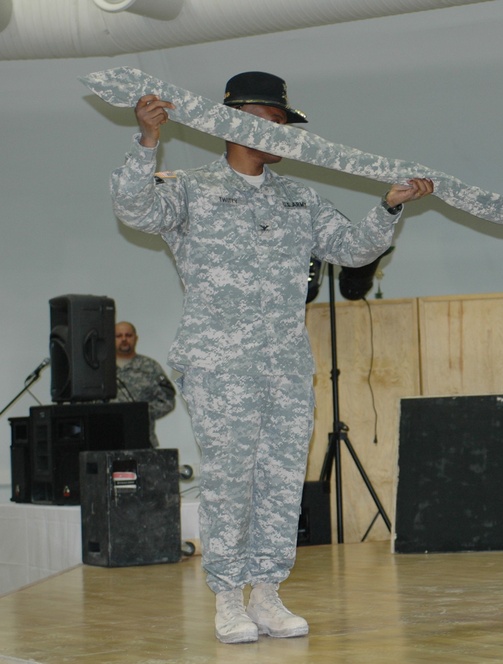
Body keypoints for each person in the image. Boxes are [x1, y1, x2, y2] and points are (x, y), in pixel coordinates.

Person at [109, 71, 433, 644]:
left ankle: (267, 593)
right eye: (265, 123)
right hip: (219, 362)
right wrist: (145, 141)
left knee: (281, 480)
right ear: (231, 125)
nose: (277, 134)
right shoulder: (189, 189)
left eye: (283, 125)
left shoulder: (298, 198)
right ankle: (228, 598)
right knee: (231, 479)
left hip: (285, 363)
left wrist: (389, 206)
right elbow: (134, 209)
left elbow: (350, 249)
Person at [112, 321, 176, 448]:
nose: (124, 339)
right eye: (118, 336)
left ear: (136, 338)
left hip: (143, 439)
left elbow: (168, 401)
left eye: (128, 335)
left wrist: (142, 412)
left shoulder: (150, 367)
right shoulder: (100, 369)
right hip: (106, 439)